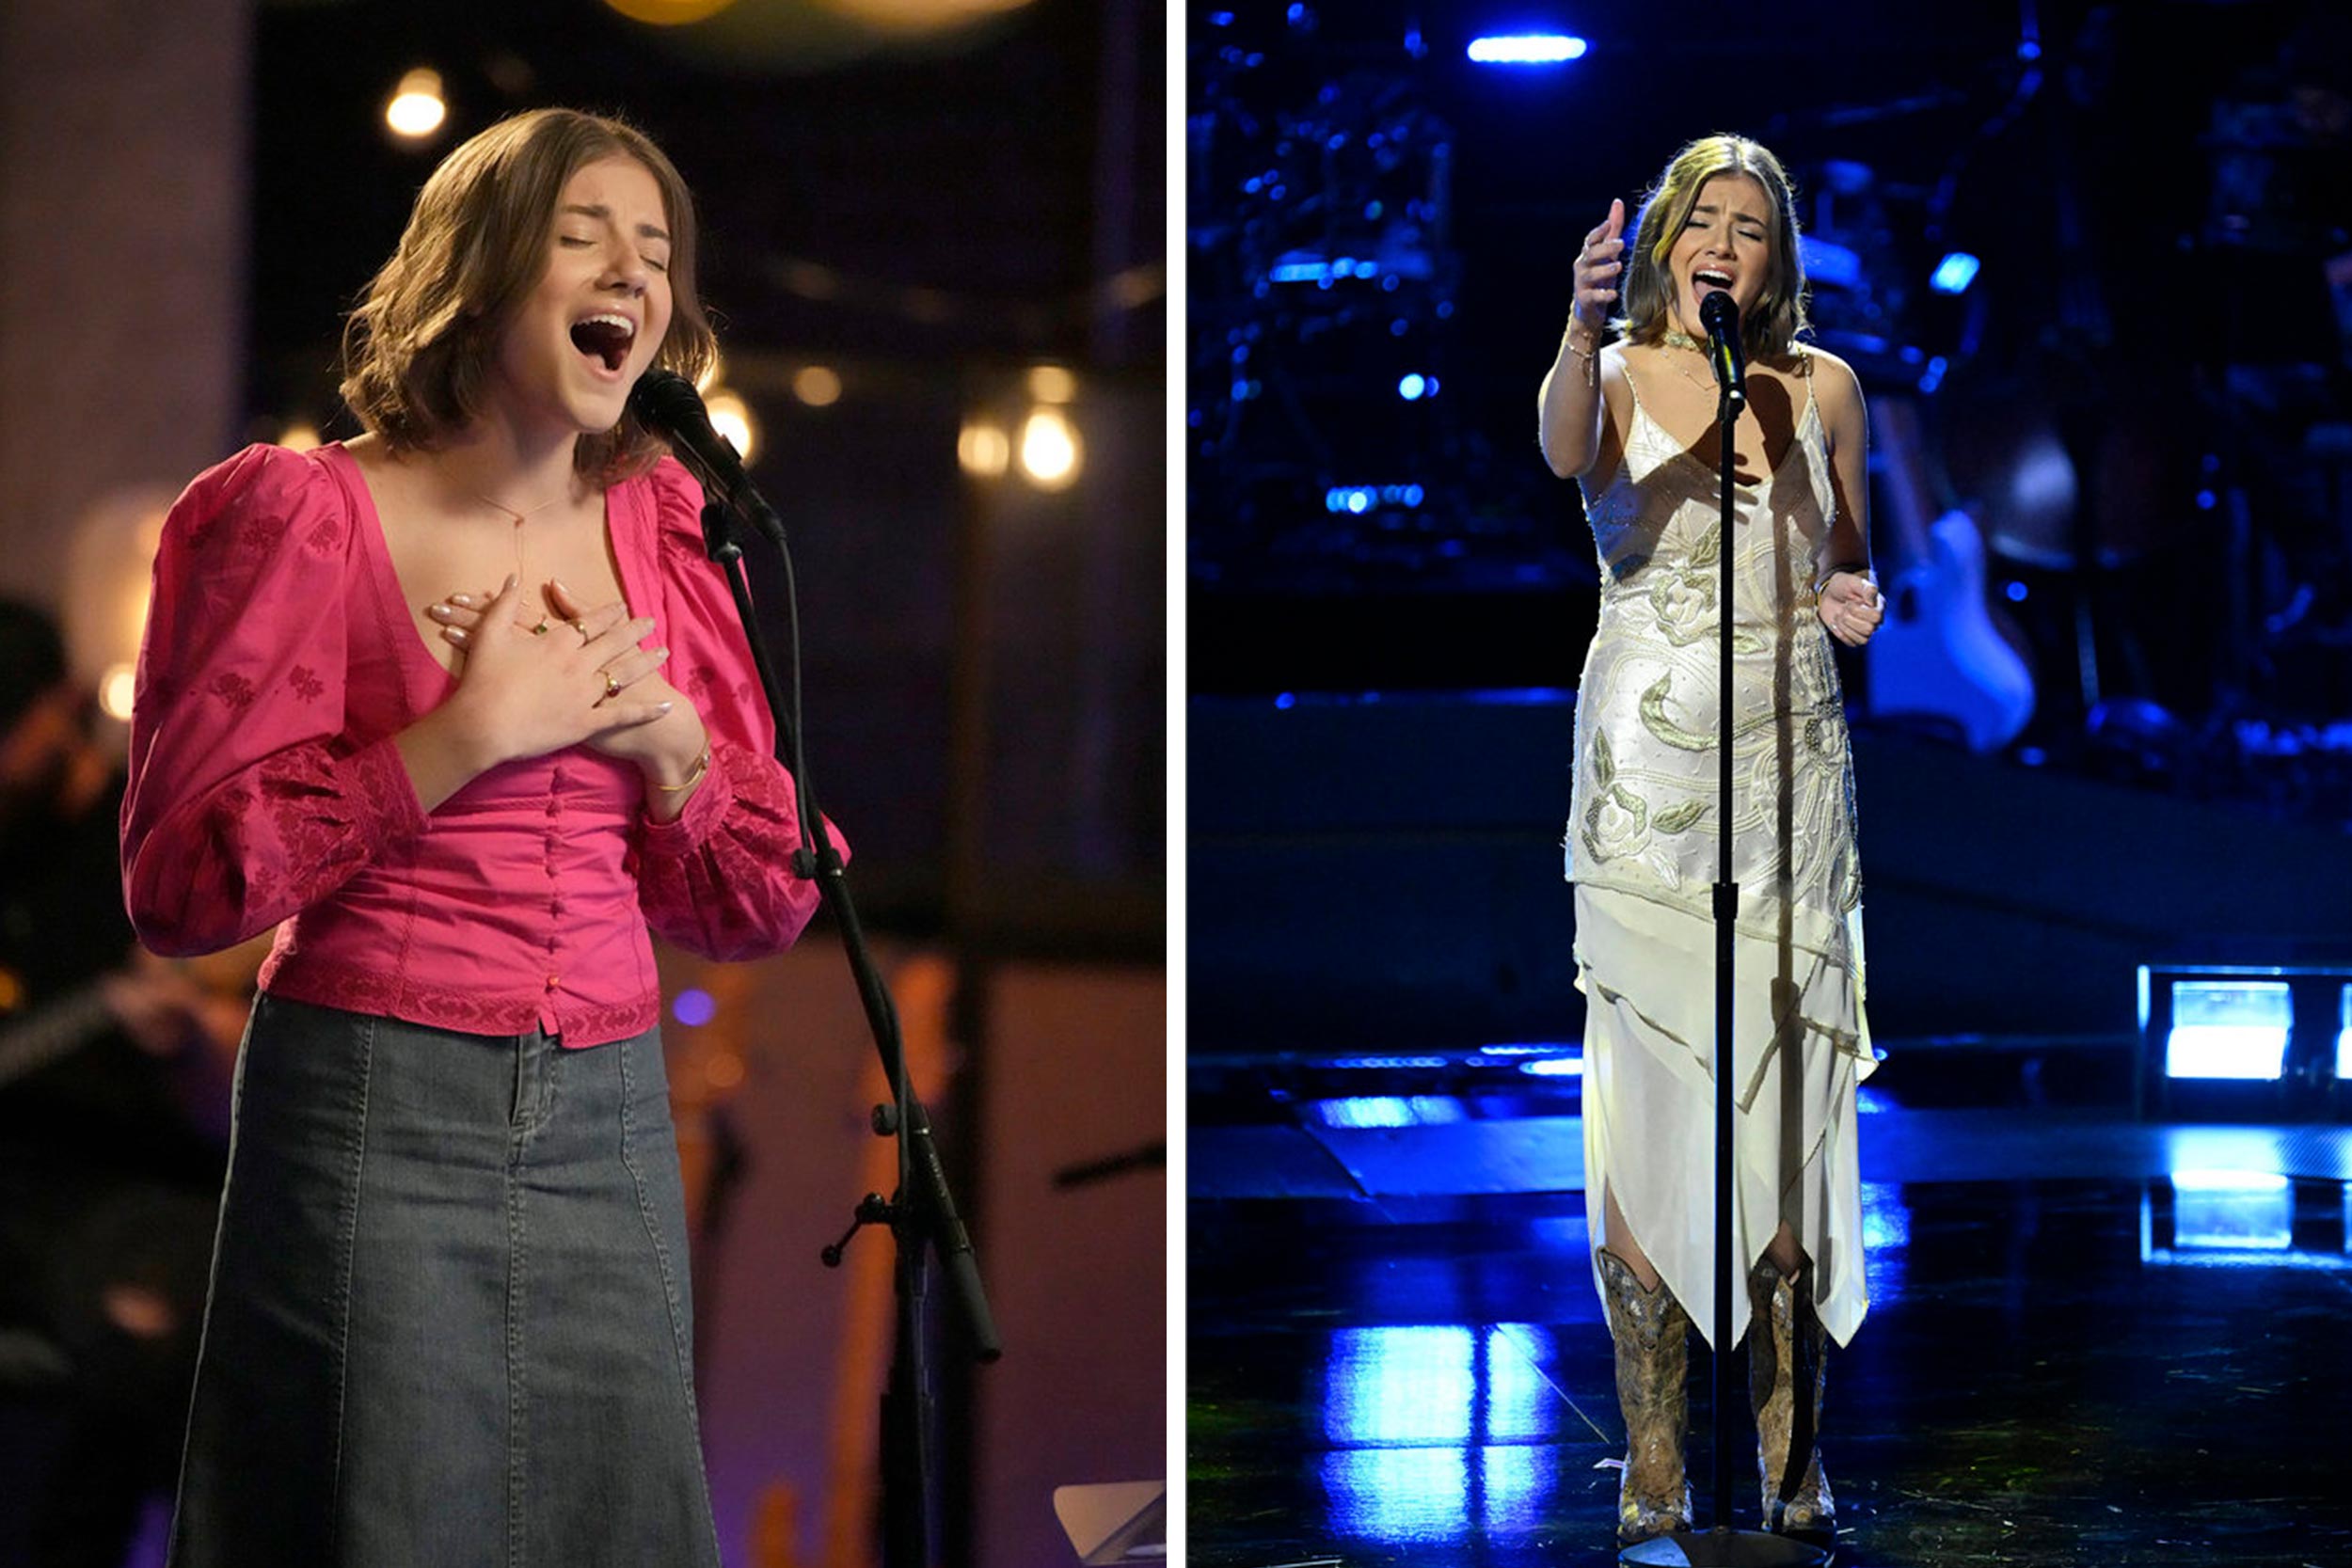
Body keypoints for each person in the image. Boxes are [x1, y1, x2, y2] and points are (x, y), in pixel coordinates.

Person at [119, 108, 837, 1566]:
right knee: (385, 1514)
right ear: (481, 270)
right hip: (379, 1097)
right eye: (584, 239)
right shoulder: (304, 515)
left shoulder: (666, 525)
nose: (629, 273)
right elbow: (183, 881)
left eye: (654, 251)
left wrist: (673, 752)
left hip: (612, 1111)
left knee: (610, 1521)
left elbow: (761, 898)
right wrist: (458, 739)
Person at [1536, 133, 1884, 1548]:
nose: (1725, 241)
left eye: (1752, 224)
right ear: (1669, 236)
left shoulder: (1825, 388)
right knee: (1655, 1103)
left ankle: (1793, 1458)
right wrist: (1578, 314)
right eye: (1706, 218)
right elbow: (1563, 450)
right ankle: (1656, 1465)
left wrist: (1853, 589)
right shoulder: (1611, 378)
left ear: (1777, 254)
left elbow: (1850, 554)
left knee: (1790, 1110)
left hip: (1792, 779)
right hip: (1650, 794)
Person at [0, 598, 246, 1568]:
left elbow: (232, 1090)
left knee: (152, 1318)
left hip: (124, 1197)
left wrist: (184, 1037)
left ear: (59, 712)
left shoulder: (160, 837)